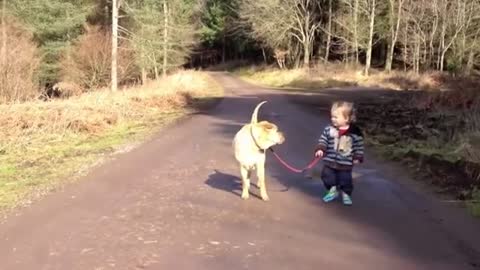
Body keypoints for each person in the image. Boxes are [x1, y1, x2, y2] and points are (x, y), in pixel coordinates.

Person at [314, 101, 364, 206]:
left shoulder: (354, 132)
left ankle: (346, 193)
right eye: (332, 117)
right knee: (326, 176)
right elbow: (323, 140)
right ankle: (332, 190)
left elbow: (359, 146)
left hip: (345, 163)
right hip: (330, 161)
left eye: (336, 117)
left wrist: (358, 157)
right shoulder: (329, 129)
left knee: (345, 180)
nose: (333, 119)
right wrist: (320, 149)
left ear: (346, 118)